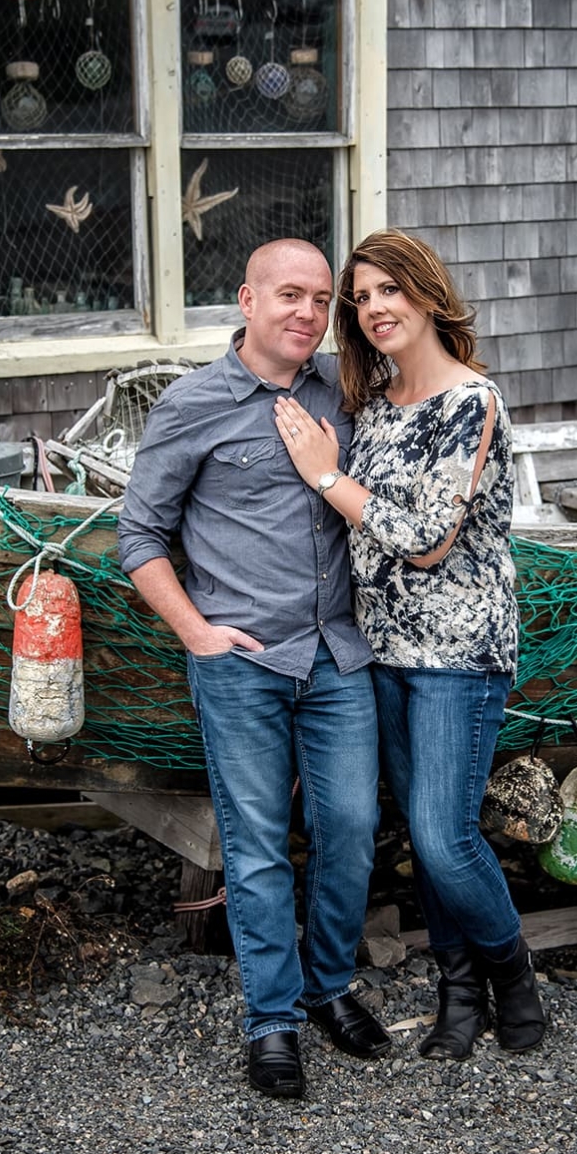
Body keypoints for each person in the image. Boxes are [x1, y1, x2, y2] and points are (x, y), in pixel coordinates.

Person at [117, 238, 390, 1100]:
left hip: (338, 653)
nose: (308, 312)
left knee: (351, 826)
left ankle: (329, 984)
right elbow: (140, 534)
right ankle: (271, 1017)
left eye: (320, 298)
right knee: (258, 843)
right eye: (289, 295)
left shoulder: (346, 390)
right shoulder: (192, 405)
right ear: (247, 299)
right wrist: (195, 631)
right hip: (243, 662)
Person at [274, 228, 545, 1062]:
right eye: (361, 297)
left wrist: (327, 476)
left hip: (459, 653)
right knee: (424, 839)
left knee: (444, 835)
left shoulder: (471, 403)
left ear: (426, 292)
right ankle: (459, 992)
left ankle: (514, 975)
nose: (373, 308)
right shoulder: (376, 402)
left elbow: (427, 538)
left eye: (388, 289)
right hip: (381, 648)